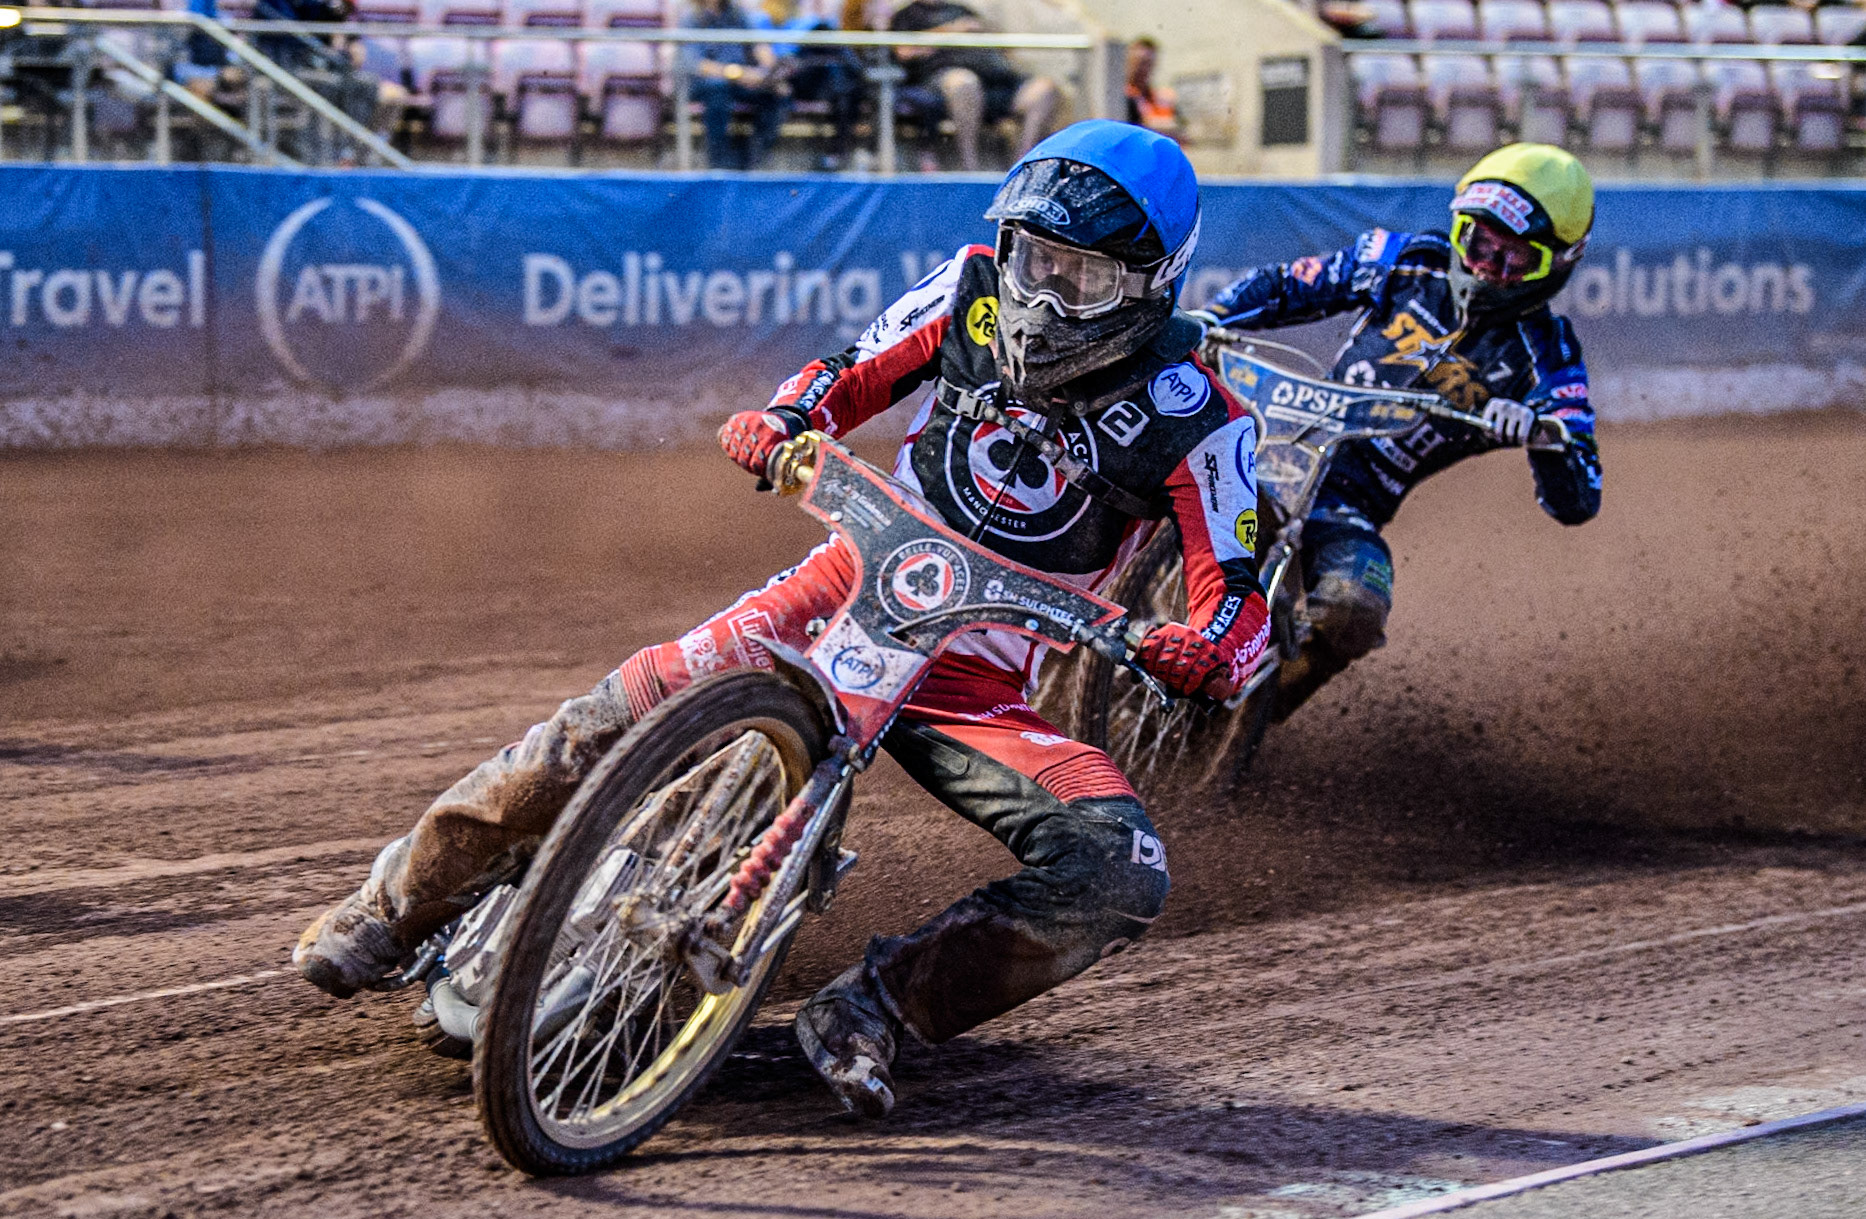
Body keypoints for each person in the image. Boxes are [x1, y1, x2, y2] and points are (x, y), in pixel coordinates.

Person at [295, 120, 1270, 1119]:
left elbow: (1238, 599)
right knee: (601, 723)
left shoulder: (1204, 421)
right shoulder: (974, 289)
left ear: (1155, 283)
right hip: (837, 590)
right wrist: (786, 420)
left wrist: (1208, 650)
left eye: (1084, 278)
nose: (1044, 296)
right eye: (1037, 259)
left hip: (970, 684)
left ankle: (877, 1009)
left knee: (1123, 865)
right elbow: (847, 370)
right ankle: (399, 902)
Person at [1193, 142, 1603, 723]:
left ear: (1557, 265)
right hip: (1270, 451)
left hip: (1349, 505)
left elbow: (1580, 496)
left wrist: (1543, 433)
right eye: (1478, 243)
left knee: (1357, 606)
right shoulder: (1406, 259)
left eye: (1513, 260)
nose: (1487, 267)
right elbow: (1289, 284)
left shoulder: (1547, 356)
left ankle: (1241, 724)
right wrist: (1211, 319)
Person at [886, 0, 1060, 171]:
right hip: (943, 80)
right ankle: (971, 168)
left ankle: (1021, 166)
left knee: (1044, 89)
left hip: (994, 80)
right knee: (965, 82)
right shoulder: (907, 16)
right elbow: (903, 51)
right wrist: (952, 31)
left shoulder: (961, 10)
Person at [754, 0, 867, 170]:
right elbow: (768, 60)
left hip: (815, 74)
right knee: (826, 37)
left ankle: (857, 75)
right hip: (786, 76)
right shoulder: (761, 18)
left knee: (842, 80)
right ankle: (861, 73)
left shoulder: (808, 17)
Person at [685, 0, 790, 170]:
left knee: (775, 94)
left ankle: (754, 160)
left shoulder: (737, 13)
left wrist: (772, 75)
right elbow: (697, 65)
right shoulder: (690, 18)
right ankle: (718, 165)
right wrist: (738, 73)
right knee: (717, 89)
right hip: (705, 84)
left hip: (739, 81)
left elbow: (759, 46)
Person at [1124, 37, 1179, 139]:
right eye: (1138, 62)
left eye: (1147, 63)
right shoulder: (1123, 98)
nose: (1142, 68)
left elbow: (1180, 129)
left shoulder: (1160, 98)